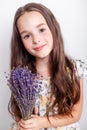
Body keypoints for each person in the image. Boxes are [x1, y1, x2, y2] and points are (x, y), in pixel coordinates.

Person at [8, 2, 87, 130]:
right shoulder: (22, 75)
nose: (36, 39)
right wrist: (24, 124)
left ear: (53, 27)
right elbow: (19, 113)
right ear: (20, 42)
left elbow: (75, 114)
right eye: (27, 35)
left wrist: (43, 122)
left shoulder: (74, 69)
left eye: (41, 29)